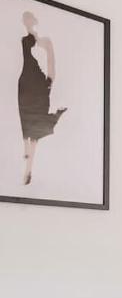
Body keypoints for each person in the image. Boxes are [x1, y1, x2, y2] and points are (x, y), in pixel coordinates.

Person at [18, 10, 67, 185]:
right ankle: (26, 157)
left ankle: (28, 167)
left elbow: (51, 63)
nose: (27, 22)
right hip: (27, 84)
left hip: (38, 84)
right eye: (25, 20)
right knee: (28, 122)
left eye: (29, 19)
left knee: (35, 128)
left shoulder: (44, 42)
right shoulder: (27, 40)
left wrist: (50, 82)